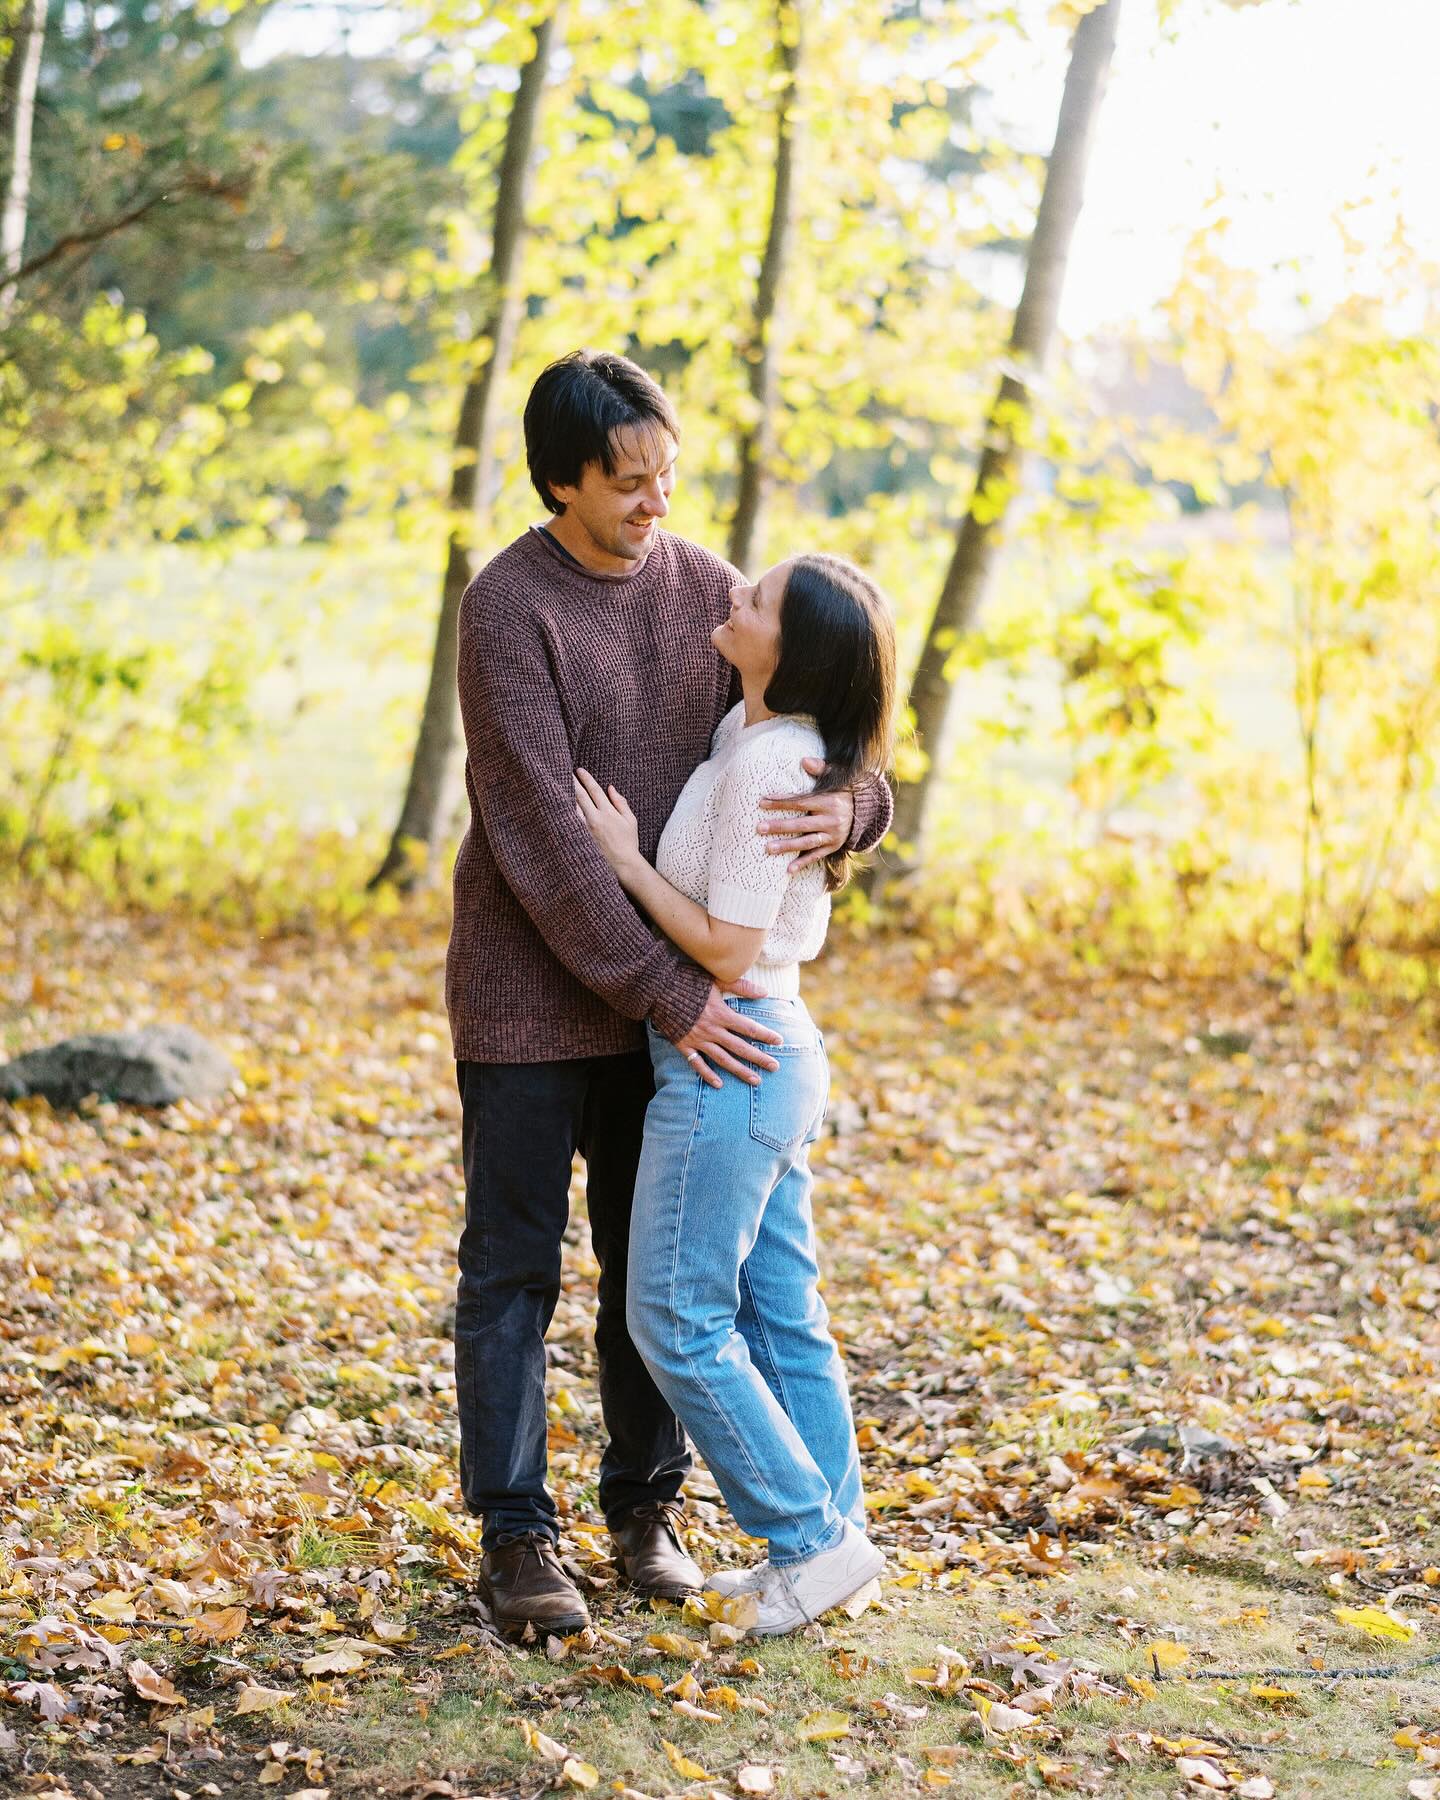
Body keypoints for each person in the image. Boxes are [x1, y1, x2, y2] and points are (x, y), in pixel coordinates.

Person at [446, 349, 894, 1641]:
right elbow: (541, 834)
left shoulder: (708, 591)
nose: (657, 503)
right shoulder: (507, 607)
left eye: (666, 475)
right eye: (628, 483)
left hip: (674, 1012)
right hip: (537, 997)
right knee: (514, 1271)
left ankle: (646, 1510)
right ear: (559, 481)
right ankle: (519, 1535)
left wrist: (857, 807)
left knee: (663, 1272)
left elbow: (817, 721)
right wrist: (672, 990)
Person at [574, 551, 896, 1635]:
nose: (732, 597)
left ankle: (807, 1540)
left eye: (755, 601)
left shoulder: (772, 765)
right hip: (767, 1047)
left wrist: (624, 860)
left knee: (675, 1311)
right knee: (778, 1313)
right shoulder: (750, 737)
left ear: (792, 650)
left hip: (733, 1049)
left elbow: (724, 947)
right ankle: (836, 1544)